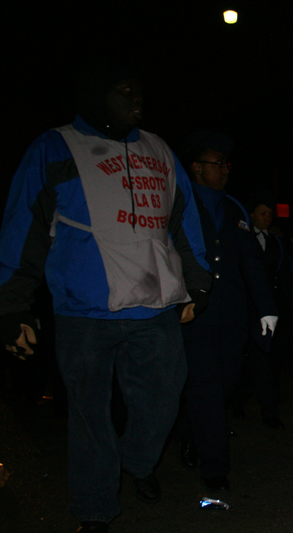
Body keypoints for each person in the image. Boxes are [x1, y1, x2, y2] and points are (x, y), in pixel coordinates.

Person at [0, 60, 211, 533]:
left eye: (139, 91)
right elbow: (22, 229)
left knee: (164, 399)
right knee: (89, 417)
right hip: (84, 311)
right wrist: (12, 307)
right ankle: (95, 508)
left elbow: (184, 222)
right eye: (124, 91)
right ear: (97, 96)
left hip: (155, 306)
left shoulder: (159, 149)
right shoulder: (53, 148)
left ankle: (136, 460)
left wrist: (197, 284)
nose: (137, 100)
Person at [174, 131, 278, 491]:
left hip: (231, 314)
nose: (225, 169)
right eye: (218, 163)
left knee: (226, 383)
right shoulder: (179, 203)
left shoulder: (234, 209)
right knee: (206, 386)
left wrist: (266, 307)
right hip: (196, 312)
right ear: (197, 167)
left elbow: (251, 263)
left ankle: (190, 430)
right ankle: (215, 468)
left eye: (226, 163)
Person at [231, 191, 293, 428]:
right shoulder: (241, 238)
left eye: (270, 214)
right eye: (262, 213)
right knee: (253, 361)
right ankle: (254, 406)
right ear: (251, 215)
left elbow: (285, 277)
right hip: (246, 309)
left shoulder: (276, 243)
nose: (267, 218)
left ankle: (258, 406)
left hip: (270, 310)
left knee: (267, 360)